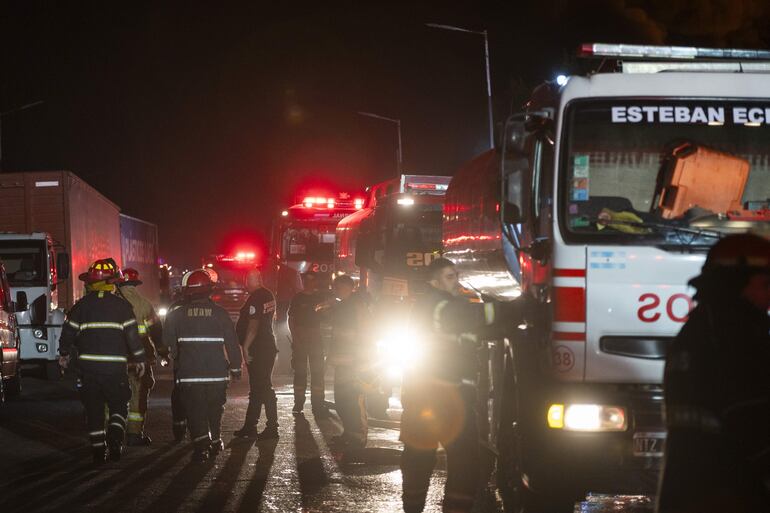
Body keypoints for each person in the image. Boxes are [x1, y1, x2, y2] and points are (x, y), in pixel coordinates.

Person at [400, 257, 530, 513]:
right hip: (442, 397)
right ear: (434, 281)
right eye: (449, 276)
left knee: (425, 461)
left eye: (456, 275)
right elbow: (481, 316)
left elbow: (479, 329)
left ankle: (414, 509)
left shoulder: (446, 307)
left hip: (435, 397)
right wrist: (523, 304)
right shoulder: (440, 306)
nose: (456, 280)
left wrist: (508, 328)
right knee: (460, 463)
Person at [656, 233, 770, 513]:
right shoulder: (737, 336)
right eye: (766, 284)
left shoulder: (698, 330)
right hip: (730, 493)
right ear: (738, 281)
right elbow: (751, 421)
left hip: (689, 492)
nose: (769, 296)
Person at [58, 259, 146, 464]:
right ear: (113, 282)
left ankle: (98, 450)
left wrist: (64, 354)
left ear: (91, 282)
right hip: (115, 369)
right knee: (118, 406)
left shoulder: (81, 306)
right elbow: (133, 337)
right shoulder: (122, 306)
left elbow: (68, 333)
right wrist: (140, 359)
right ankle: (115, 440)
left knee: (94, 410)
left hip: (88, 370)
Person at [163, 269, 242, 462]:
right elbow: (232, 343)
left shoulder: (176, 315)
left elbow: (167, 343)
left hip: (189, 375)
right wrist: (236, 367)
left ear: (187, 291)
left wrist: (175, 356)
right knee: (215, 409)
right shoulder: (221, 314)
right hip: (216, 375)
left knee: (195, 410)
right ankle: (215, 440)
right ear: (209, 290)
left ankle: (201, 447)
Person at [116, 267, 166, 446]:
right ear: (135, 284)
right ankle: (134, 434)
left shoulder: (112, 302)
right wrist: (162, 352)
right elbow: (156, 331)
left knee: (111, 397)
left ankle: (111, 433)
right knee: (138, 396)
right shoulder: (144, 304)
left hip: (116, 358)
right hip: (139, 359)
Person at [325, 274, 372, 449]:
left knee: (354, 400)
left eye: (338, 287)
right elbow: (337, 335)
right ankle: (348, 433)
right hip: (343, 361)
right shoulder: (342, 306)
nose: (335, 290)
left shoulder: (357, 306)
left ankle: (358, 437)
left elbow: (365, 333)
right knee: (342, 400)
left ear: (348, 288)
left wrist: (363, 359)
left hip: (354, 362)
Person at [233, 269, 280, 440]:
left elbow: (254, 324)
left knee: (263, 388)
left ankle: (271, 427)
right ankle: (251, 425)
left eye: (248, 279)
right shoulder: (267, 295)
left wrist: (245, 348)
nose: (246, 282)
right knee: (260, 388)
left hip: (259, 349)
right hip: (266, 346)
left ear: (256, 279)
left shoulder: (256, 297)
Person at [288, 271, 330, 416]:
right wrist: (295, 338)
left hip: (316, 339)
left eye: (312, 279)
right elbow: (291, 319)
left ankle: (318, 404)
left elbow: (326, 319)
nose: (309, 282)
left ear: (316, 282)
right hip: (301, 339)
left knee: (317, 373)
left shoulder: (320, 298)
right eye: (307, 279)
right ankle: (298, 403)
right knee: (300, 373)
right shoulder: (297, 298)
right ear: (304, 281)